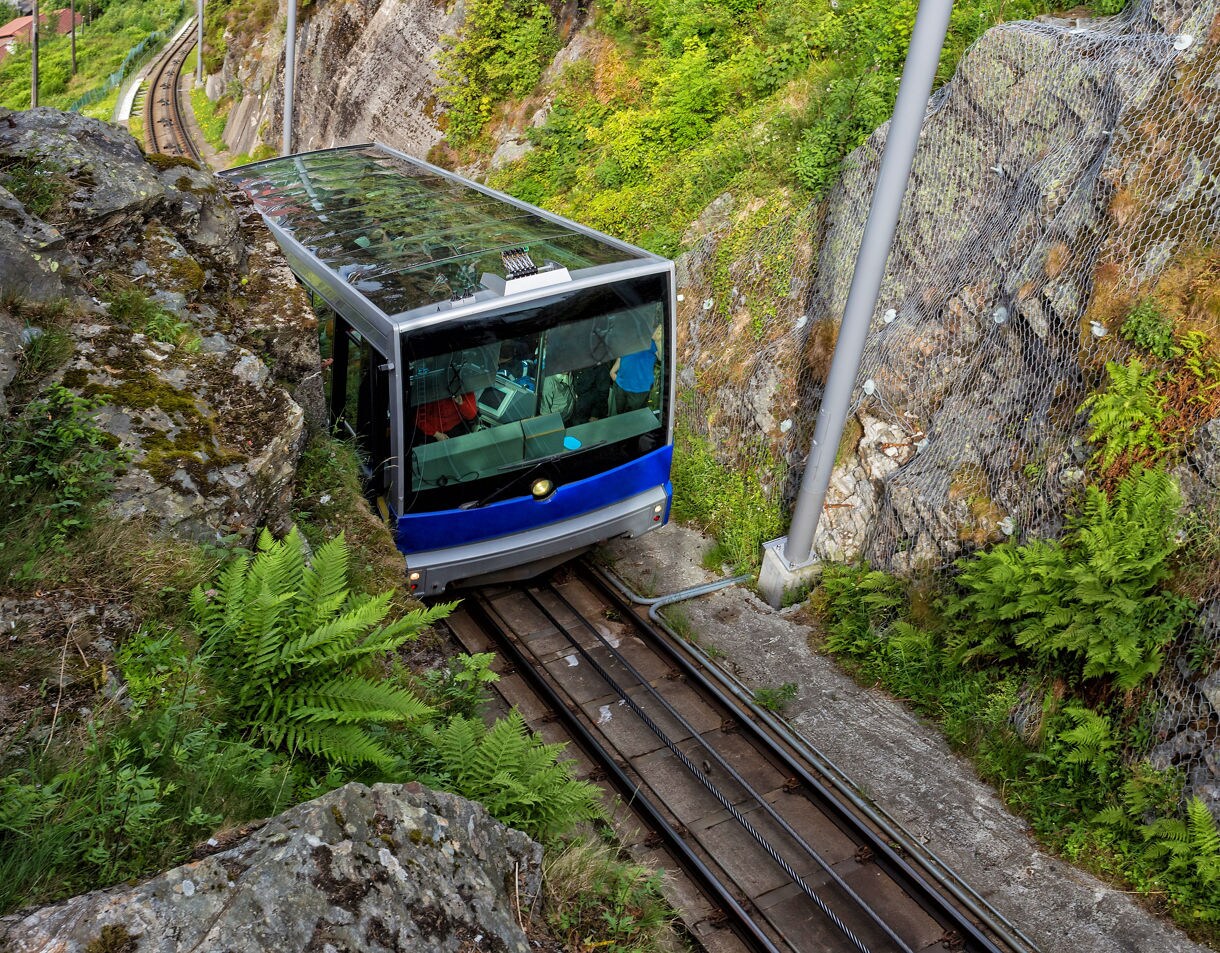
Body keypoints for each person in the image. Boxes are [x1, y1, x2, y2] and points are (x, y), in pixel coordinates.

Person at [609, 326, 661, 415]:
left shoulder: (650, 341)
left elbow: (661, 357)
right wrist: (612, 371)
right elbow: (621, 358)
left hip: (639, 390)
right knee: (620, 416)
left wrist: (657, 341)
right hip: (621, 385)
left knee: (634, 420)